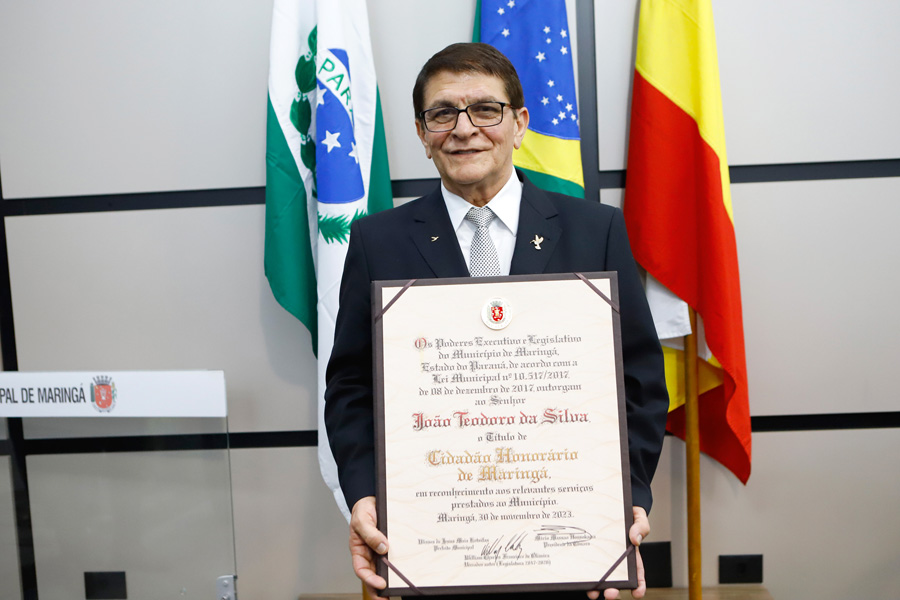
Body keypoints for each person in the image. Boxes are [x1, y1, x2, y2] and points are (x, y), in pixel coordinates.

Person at [324, 42, 668, 600]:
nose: (464, 129)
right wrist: (365, 492)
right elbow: (351, 387)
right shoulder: (375, 241)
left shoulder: (595, 230)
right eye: (442, 113)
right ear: (420, 131)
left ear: (519, 123)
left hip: (570, 544)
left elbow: (639, 383)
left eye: (485, 109)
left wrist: (623, 500)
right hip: (433, 546)